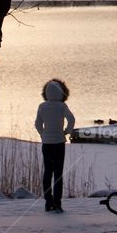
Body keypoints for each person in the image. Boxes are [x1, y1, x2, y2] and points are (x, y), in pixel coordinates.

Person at [34, 79, 75, 212]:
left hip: (46, 143)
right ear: (61, 93)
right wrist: (66, 132)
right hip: (59, 143)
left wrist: (42, 134)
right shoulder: (62, 106)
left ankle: (48, 202)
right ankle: (57, 203)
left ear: (46, 93)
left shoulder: (42, 106)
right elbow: (71, 119)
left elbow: (37, 124)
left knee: (47, 172)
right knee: (58, 173)